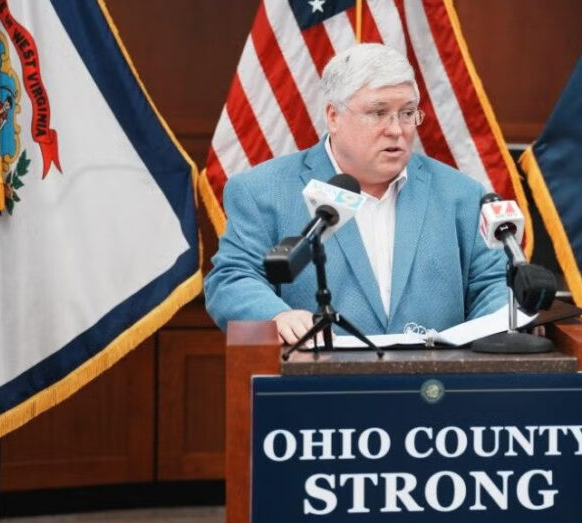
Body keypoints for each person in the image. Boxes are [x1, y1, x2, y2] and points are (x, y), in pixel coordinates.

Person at [204, 43, 506, 344]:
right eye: (378, 113)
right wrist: (277, 317)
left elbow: (492, 283)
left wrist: (491, 327)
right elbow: (232, 279)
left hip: (436, 383)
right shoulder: (263, 191)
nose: (396, 129)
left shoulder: (462, 194)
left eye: (407, 113)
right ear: (333, 116)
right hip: (318, 382)